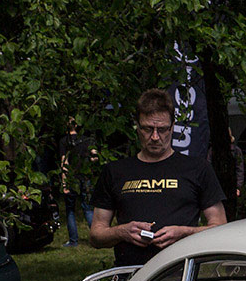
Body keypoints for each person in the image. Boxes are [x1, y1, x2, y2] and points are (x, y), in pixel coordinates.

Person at [89, 89, 227, 267]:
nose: (155, 137)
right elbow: (96, 235)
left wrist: (183, 233)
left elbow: (220, 228)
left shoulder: (197, 169)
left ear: (172, 127)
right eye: (148, 129)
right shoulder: (115, 171)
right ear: (137, 127)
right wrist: (122, 232)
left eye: (162, 130)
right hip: (132, 278)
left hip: (180, 276)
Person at [59, 116, 97, 247]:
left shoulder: (64, 141)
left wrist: (64, 182)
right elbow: (95, 156)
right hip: (85, 177)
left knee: (70, 210)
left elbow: (64, 163)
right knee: (88, 209)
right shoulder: (86, 140)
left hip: (72, 178)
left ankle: (73, 241)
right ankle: (96, 238)